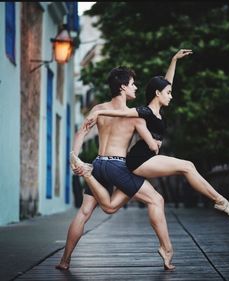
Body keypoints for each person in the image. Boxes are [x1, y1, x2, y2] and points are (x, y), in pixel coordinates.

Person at [73, 50, 229, 224]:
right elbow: (122, 112)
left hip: (131, 160)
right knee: (185, 168)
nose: (170, 94)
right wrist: (98, 113)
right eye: (167, 92)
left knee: (110, 206)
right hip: (140, 159)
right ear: (157, 94)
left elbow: (167, 84)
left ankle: (169, 245)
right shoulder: (142, 111)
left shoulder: (154, 109)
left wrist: (174, 60)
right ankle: (220, 201)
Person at [56, 63, 178, 271]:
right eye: (132, 84)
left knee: (84, 212)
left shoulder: (98, 110)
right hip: (118, 165)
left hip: (98, 163)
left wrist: (73, 158)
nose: (136, 88)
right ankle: (167, 252)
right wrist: (154, 143)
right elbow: (152, 144)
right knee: (156, 199)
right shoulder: (134, 115)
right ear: (122, 87)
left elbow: (81, 133)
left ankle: (64, 260)